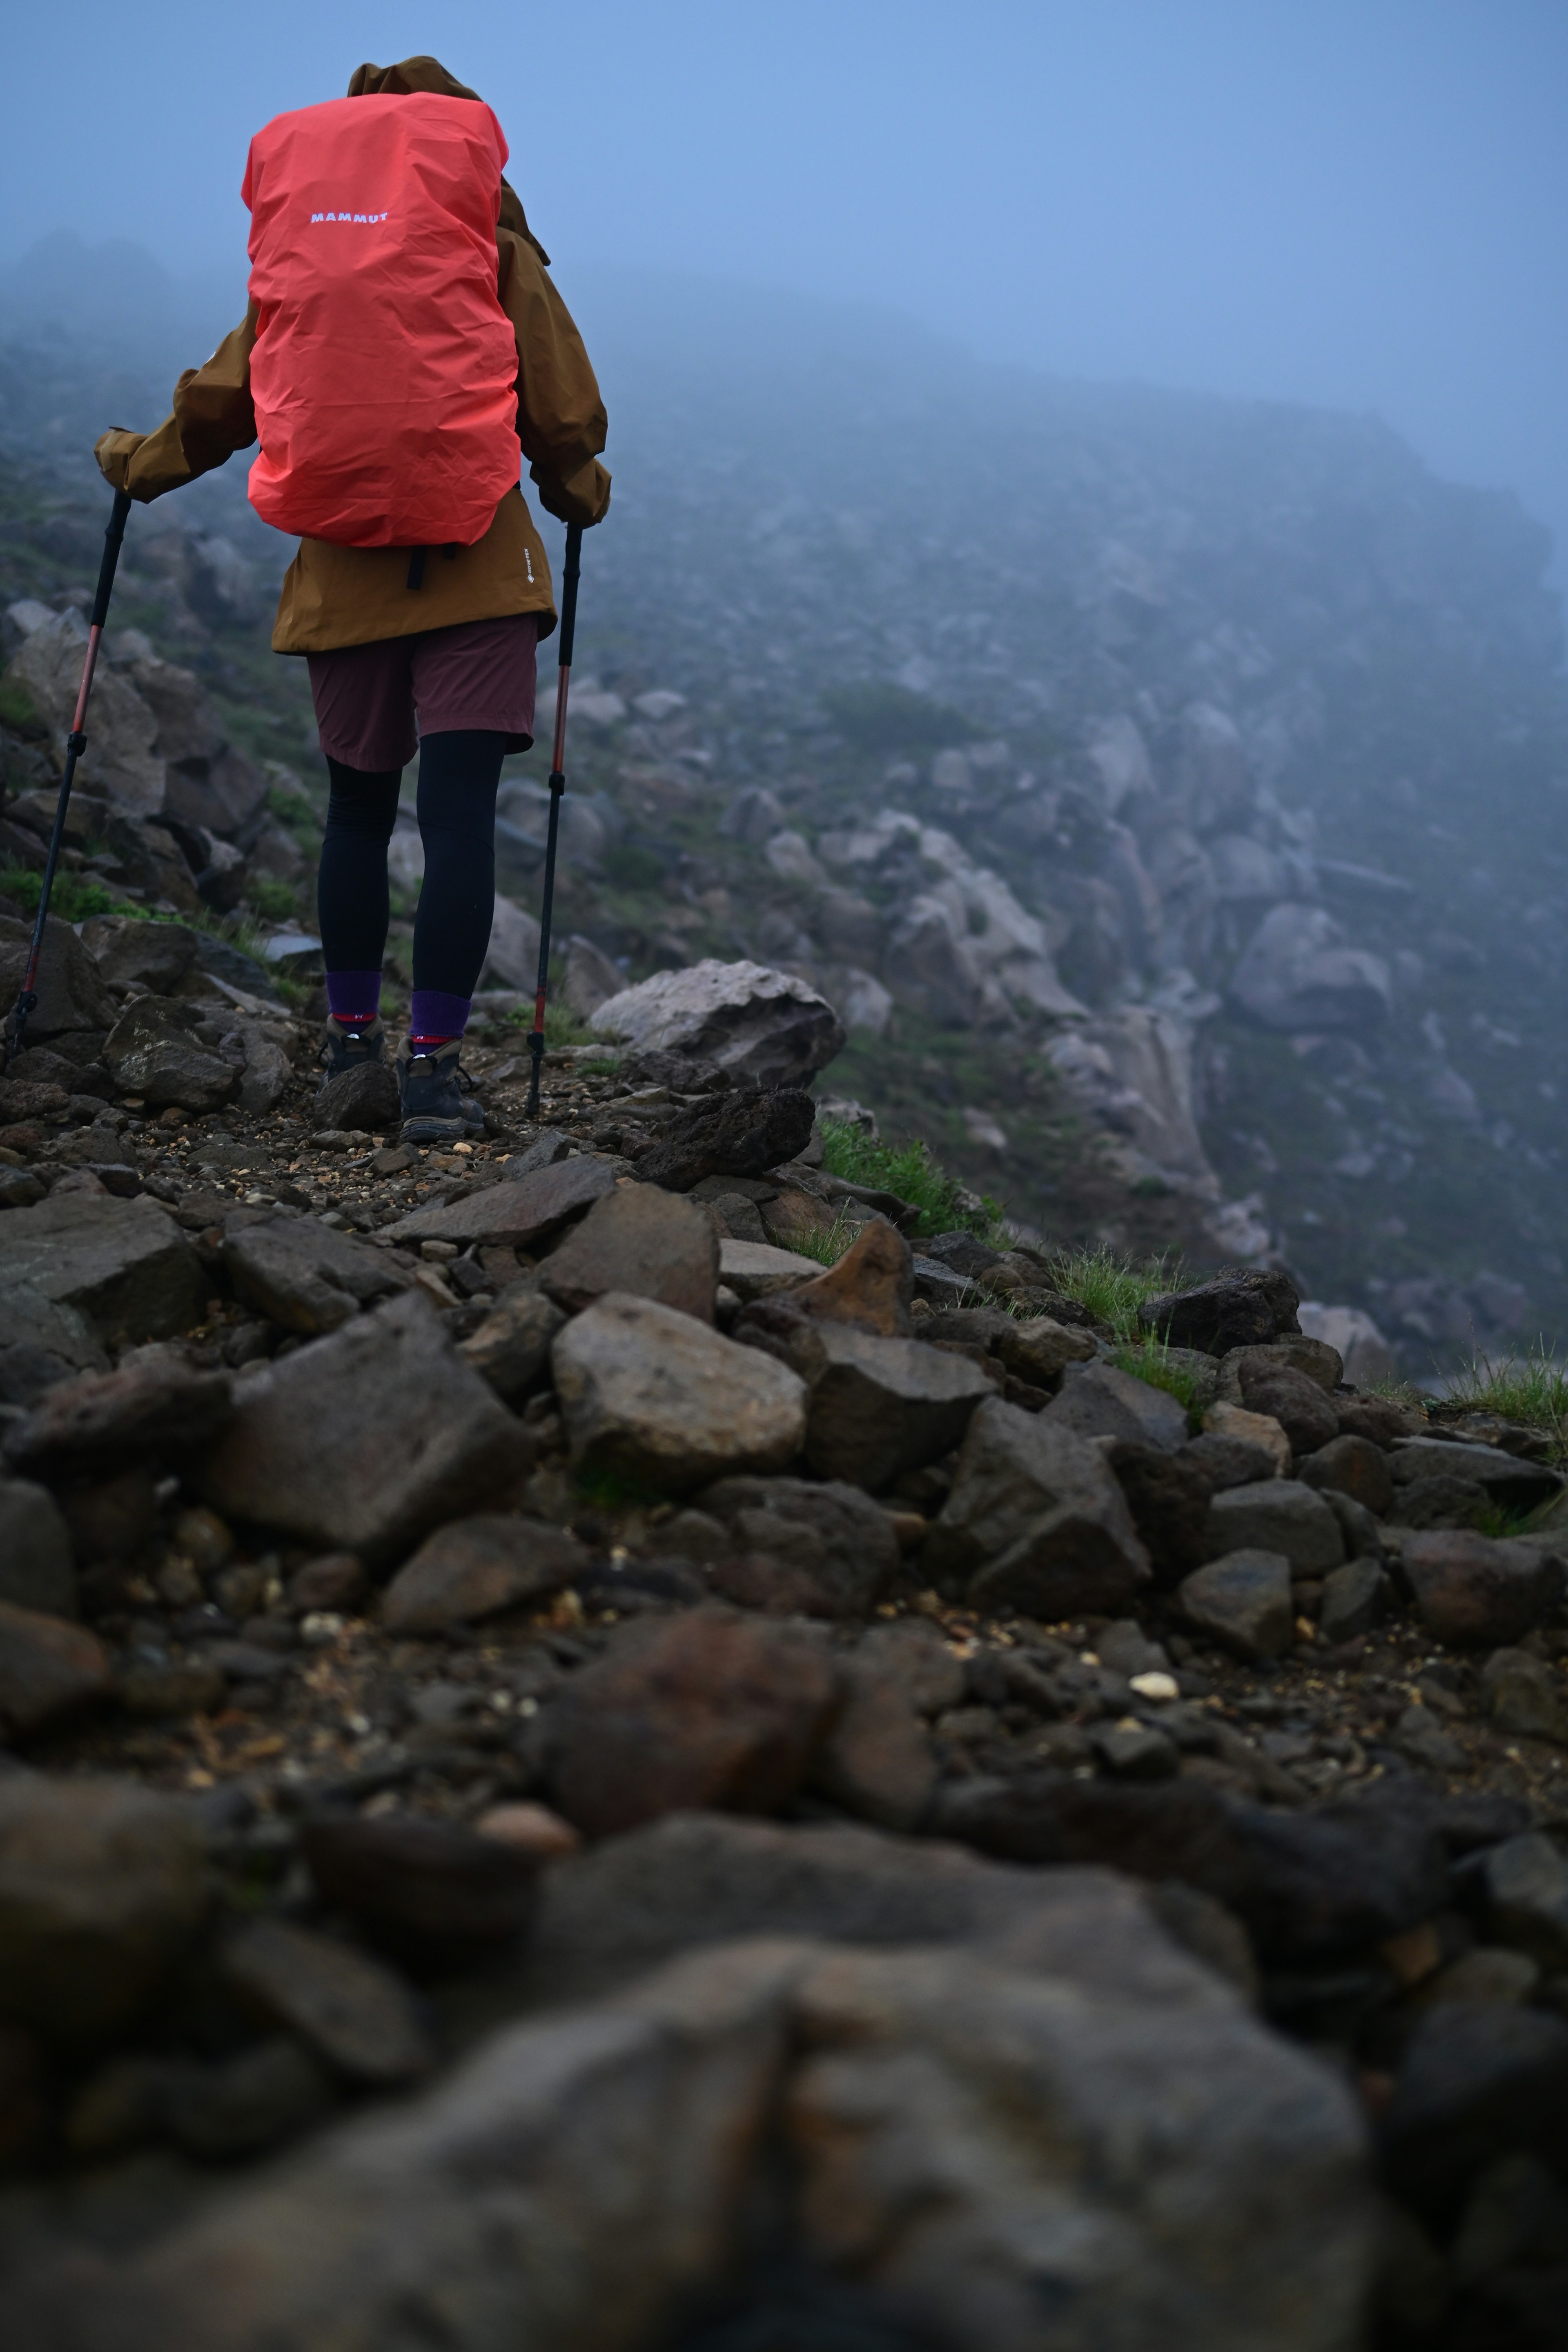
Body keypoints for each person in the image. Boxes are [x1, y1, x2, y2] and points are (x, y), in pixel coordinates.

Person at [94, 54, 610, 1142]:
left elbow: (225, 400)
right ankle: (432, 1068)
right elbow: (560, 410)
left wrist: (135, 466)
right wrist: (581, 490)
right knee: (460, 818)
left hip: (339, 571)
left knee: (357, 815)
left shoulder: (306, 251)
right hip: (475, 563)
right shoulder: (490, 241)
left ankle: (345, 1048)